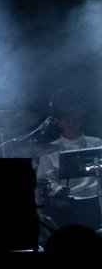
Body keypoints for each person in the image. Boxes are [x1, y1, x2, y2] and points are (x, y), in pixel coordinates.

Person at [35, 91, 102, 233]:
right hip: (66, 201)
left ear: (82, 120)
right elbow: (44, 178)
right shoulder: (50, 149)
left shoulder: (97, 143)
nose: (72, 123)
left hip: (94, 198)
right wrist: (59, 190)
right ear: (60, 122)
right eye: (67, 119)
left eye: (76, 119)